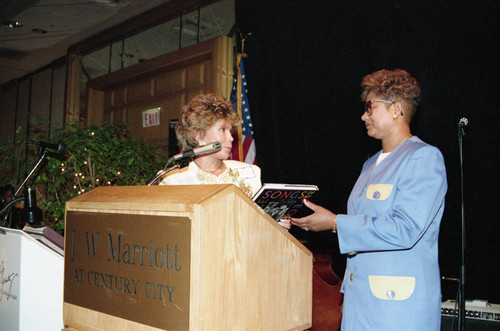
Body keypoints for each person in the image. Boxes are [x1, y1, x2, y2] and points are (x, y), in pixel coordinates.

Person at [291, 69, 447, 330]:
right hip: (359, 304)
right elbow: (364, 228)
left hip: (397, 310)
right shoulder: (370, 165)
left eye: (370, 107)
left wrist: (335, 223)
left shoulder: (424, 158)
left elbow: (404, 228)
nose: (364, 115)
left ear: (396, 109)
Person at [159, 94, 262, 197]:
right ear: (198, 136)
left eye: (230, 131)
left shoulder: (250, 173)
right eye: (222, 130)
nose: (231, 138)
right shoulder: (174, 180)